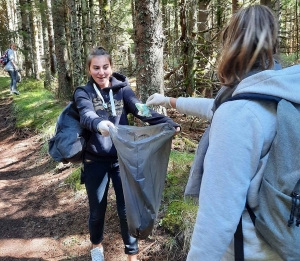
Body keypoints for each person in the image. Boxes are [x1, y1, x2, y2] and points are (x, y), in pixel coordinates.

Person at [146, 5, 298, 261]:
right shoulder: (282, 94)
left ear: (231, 42)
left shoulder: (239, 114)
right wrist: (169, 100)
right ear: (273, 43)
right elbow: (217, 109)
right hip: (287, 240)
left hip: (249, 250)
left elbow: (217, 216)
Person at [74, 46, 180, 261]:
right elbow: (85, 114)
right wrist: (98, 123)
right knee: (97, 211)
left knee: (127, 210)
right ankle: (97, 248)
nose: (101, 72)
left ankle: (132, 254)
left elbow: (142, 110)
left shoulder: (123, 90)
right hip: (94, 160)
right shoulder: (83, 92)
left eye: (105, 67)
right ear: (89, 69)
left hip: (122, 161)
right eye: (96, 68)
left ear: (111, 67)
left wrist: (168, 123)